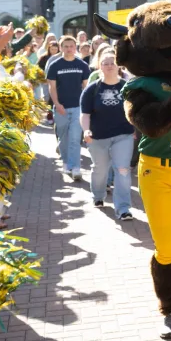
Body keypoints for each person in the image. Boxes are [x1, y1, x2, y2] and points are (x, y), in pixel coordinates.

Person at [79, 50, 134, 221]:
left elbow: (135, 110)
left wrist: (134, 128)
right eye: (105, 63)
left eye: (112, 62)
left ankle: (123, 209)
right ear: (99, 66)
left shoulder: (127, 87)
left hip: (123, 135)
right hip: (98, 136)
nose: (109, 66)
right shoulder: (92, 89)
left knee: (123, 170)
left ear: (118, 65)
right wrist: (86, 130)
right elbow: (85, 114)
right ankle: (98, 195)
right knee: (100, 169)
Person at [46, 36, 91, 181]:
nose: (69, 49)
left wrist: (86, 107)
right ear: (61, 48)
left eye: (71, 46)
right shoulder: (55, 65)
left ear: (75, 47)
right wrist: (57, 104)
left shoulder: (82, 65)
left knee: (75, 138)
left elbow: (86, 87)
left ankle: (76, 168)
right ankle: (66, 163)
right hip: (61, 108)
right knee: (63, 138)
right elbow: (51, 87)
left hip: (77, 107)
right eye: (65, 46)